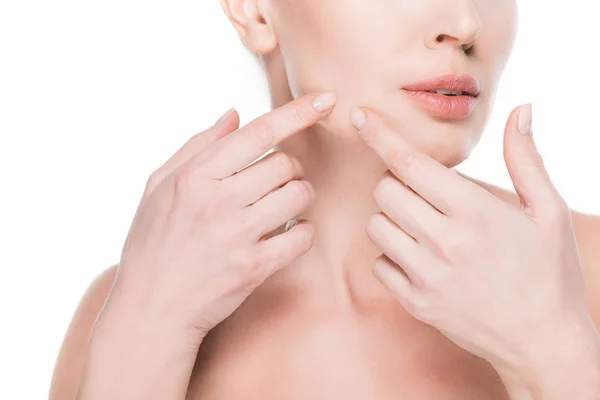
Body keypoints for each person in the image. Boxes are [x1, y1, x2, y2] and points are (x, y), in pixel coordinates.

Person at [50, 1, 600, 399]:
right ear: (255, 12)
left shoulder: (587, 277)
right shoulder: (128, 308)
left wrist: (555, 354)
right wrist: (150, 327)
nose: (465, 23)